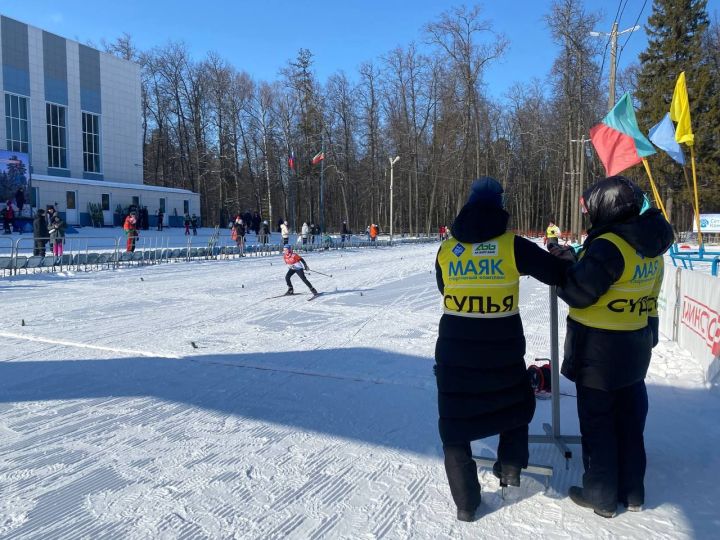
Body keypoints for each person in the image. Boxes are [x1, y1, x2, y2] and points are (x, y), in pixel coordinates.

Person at [434, 177, 570, 522]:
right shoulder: (513, 246)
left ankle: (466, 505)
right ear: (500, 206)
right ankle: (510, 466)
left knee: (454, 421)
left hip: (455, 346)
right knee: (516, 404)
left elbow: (443, 287)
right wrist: (563, 255)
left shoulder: (447, 248)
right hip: (501, 346)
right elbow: (556, 273)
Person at [548, 176, 673, 518]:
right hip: (635, 342)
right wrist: (577, 259)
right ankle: (633, 491)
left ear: (606, 207)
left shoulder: (610, 245)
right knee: (631, 419)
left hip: (599, 349)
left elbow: (579, 291)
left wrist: (562, 268)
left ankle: (600, 494)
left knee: (598, 422)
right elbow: (636, 287)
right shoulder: (647, 243)